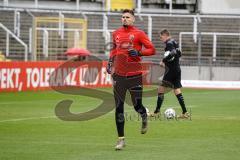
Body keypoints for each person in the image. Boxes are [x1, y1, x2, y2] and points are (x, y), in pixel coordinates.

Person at [106, 9, 156, 150]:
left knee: (136, 106)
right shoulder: (116, 33)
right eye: (123, 17)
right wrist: (110, 62)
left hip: (135, 75)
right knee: (118, 107)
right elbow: (114, 50)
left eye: (127, 17)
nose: (124, 19)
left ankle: (144, 115)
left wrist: (139, 52)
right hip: (119, 76)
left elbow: (152, 49)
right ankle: (121, 140)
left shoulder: (139, 34)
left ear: (133, 19)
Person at [152, 29, 189, 119]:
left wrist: (163, 60)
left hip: (171, 70)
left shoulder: (169, 43)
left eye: (161, 37)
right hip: (177, 69)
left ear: (165, 35)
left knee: (161, 89)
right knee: (177, 90)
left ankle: (157, 112)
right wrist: (171, 59)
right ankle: (185, 112)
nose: (161, 39)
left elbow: (173, 53)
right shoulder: (175, 42)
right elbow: (179, 53)